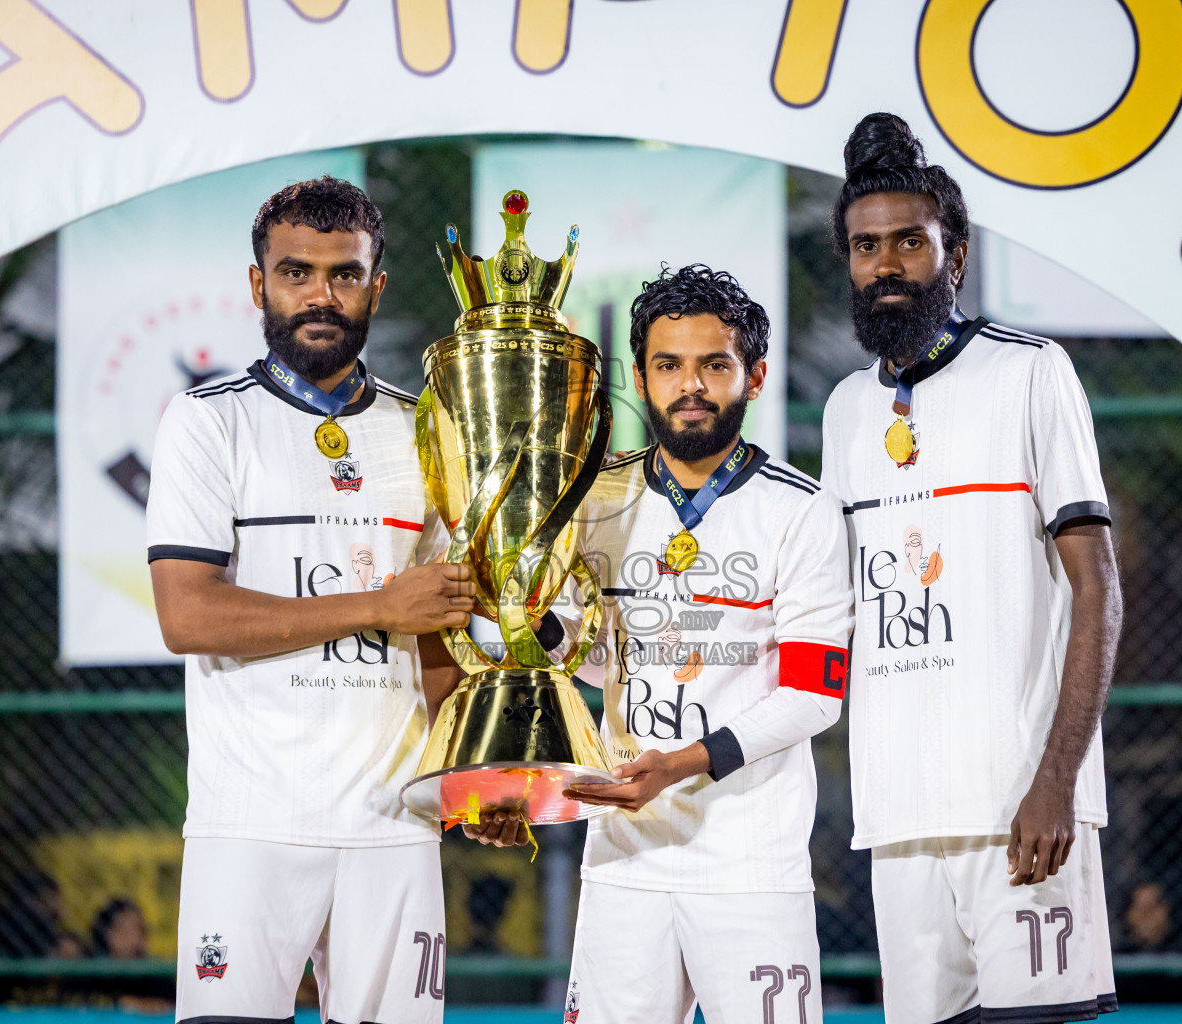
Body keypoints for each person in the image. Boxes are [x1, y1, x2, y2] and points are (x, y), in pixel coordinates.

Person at [468, 265, 854, 1024]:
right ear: (641, 378)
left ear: (755, 375)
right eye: (669, 365)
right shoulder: (596, 500)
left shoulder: (802, 511)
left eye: (715, 365)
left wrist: (677, 765)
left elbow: (814, 694)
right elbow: (601, 659)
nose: (692, 386)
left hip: (750, 859)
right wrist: (528, 616)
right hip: (625, 855)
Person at [146, 176, 475, 1024]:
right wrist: (377, 606)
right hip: (250, 825)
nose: (320, 296)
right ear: (259, 285)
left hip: (395, 825)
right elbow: (189, 615)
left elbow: (435, 631)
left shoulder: (423, 429)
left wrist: (471, 779)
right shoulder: (205, 421)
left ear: (377, 285)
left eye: (344, 274)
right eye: (297, 273)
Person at [822, 114, 1123, 1024]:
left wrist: (1056, 781)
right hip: (899, 822)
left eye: (909, 242)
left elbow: (1098, 590)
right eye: (865, 245)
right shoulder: (842, 411)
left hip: (1021, 809)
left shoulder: (1032, 373)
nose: (885, 265)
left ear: (954, 258)